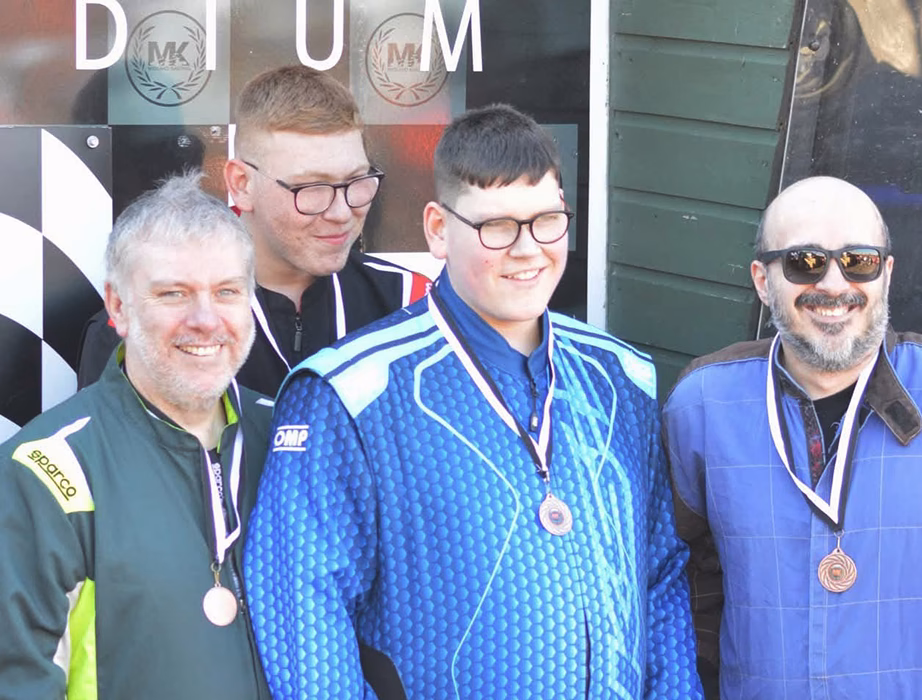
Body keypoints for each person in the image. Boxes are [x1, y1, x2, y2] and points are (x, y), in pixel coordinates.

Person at [244, 104, 703, 699]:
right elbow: (302, 616)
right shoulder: (348, 395)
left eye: (547, 221)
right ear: (438, 228)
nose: (528, 248)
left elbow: (661, 575)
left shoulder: (620, 376)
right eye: (496, 227)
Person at [663, 175, 922, 699]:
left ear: (885, 273)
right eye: (805, 262)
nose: (835, 285)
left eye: (858, 260)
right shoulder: (704, 404)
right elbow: (684, 580)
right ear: (761, 279)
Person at [0, 172, 272, 699]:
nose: (206, 319)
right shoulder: (46, 469)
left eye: (227, 292)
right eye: (174, 293)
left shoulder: (293, 440)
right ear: (119, 308)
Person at [77, 65, 430, 397]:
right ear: (242, 184)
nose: (341, 212)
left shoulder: (412, 304)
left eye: (356, 181)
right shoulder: (147, 320)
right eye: (311, 188)